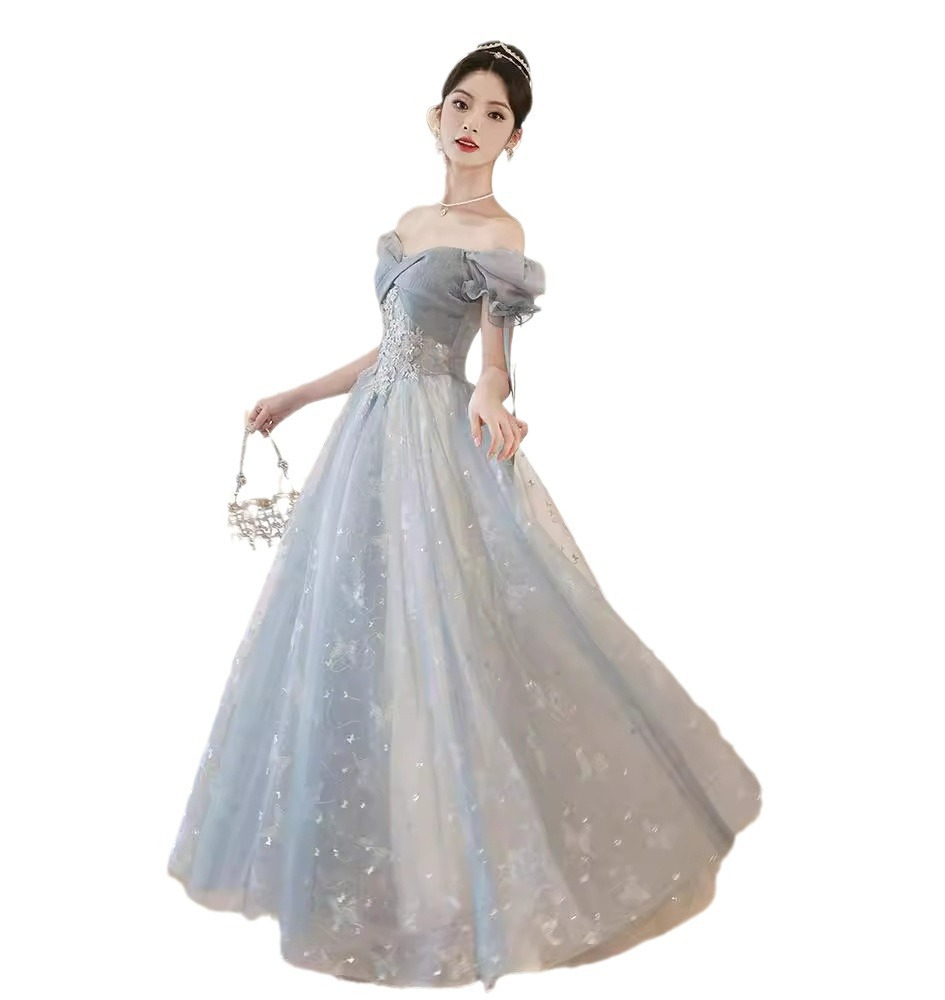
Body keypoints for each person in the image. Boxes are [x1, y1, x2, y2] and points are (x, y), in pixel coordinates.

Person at [166, 40, 762, 993]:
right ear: (435, 116)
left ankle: (480, 875)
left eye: (495, 113)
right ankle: (390, 866)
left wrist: (491, 393)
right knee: (357, 635)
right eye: (462, 104)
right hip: (368, 437)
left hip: (435, 445)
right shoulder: (409, 223)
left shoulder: (499, 232)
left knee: (453, 637)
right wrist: (298, 395)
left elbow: (491, 357)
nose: (474, 122)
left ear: (514, 137)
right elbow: (390, 347)